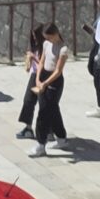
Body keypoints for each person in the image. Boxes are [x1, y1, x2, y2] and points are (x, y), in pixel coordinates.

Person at [29, 22, 70, 157]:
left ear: (55, 34)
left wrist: (45, 83)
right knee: (52, 109)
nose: (47, 40)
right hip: (44, 76)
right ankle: (61, 137)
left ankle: (41, 144)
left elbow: (58, 70)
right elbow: (41, 61)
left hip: (54, 81)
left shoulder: (62, 49)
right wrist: (38, 78)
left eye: (49, 37)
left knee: (44, 111)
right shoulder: (46, 44)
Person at [16, 24, 45, 139]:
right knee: (28, 101)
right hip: (34, 75)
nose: (34, 38)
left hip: (43, 76)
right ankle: (28, 127)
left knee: (45, 104)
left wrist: (34, 58)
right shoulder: (36, 45)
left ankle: (49, 131)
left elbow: (46, 64)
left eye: (35, 36)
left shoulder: (46, 47)